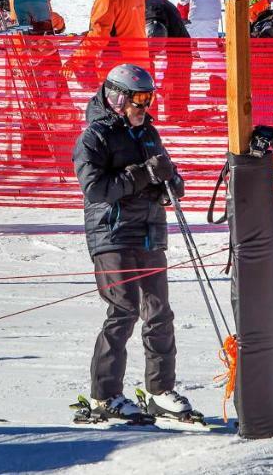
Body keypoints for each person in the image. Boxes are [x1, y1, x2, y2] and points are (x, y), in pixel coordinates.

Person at [71, 63, 197, 423]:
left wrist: (169, 180)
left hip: (149, 231)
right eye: (137, 100)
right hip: (112, 234)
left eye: (148, 99)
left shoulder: (148, 133)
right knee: (124, 309)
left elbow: (170, 182)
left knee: (159, 313)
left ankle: (159, 391)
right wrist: (143, 174)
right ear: (116, 98)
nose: (143, 107)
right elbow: (96, 189)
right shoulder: (94, 137)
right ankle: (105, 395)